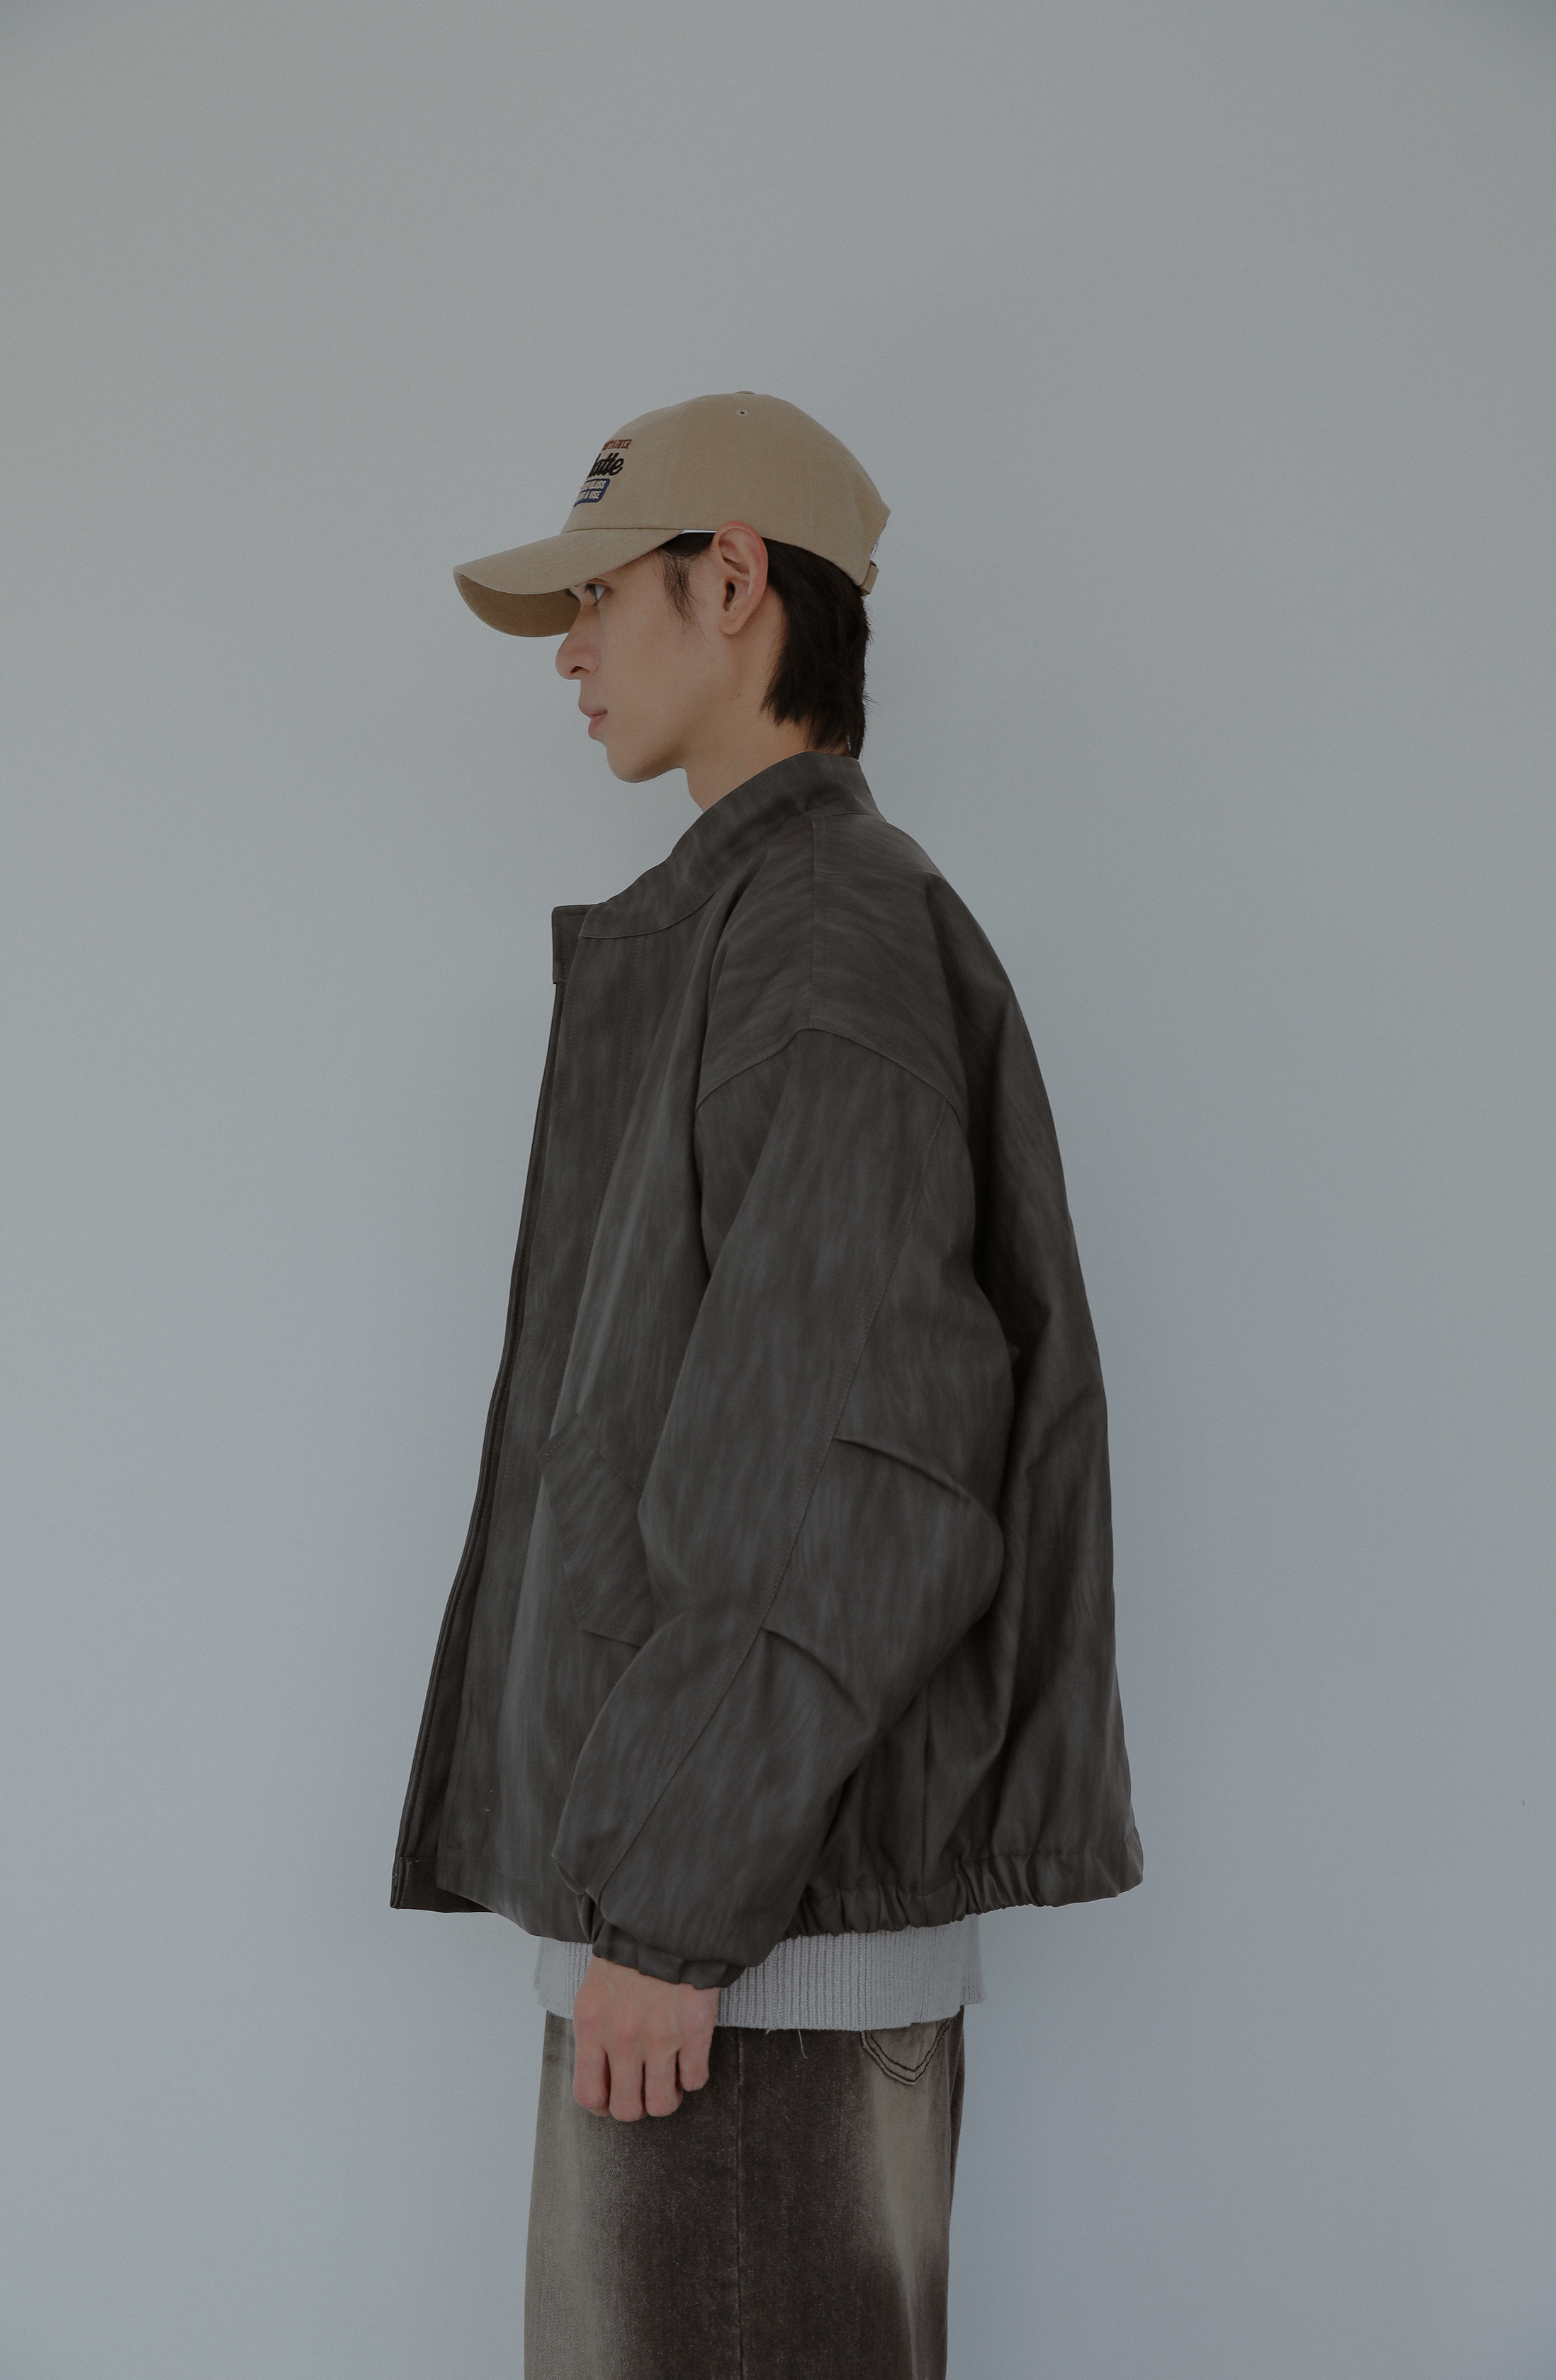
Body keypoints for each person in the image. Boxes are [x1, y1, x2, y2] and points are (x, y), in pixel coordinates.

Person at [392, 391, 1142, 2379]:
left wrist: (669, 1909)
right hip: (723, 1927)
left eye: (595, 596)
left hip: (741, 1957)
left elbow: (853, 1455)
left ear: (732, 583)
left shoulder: (819, 929)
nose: (567, 651)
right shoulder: (768, 920)